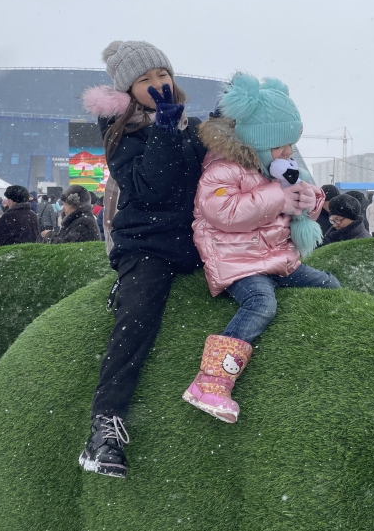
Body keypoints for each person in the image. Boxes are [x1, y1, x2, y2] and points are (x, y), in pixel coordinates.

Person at [78, 40, 207, 478]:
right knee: (137, 316)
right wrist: (165, 131)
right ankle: (105, 424)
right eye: (145, 80)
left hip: (199, 240)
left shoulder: (193, 125)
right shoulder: (121, 132)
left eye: (162, 75)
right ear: (128, 90)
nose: (157, 85)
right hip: (148, 244)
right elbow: (151, 186)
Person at [182, 73, 336, 424]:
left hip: (277, 257)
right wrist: (278, 197)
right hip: (239, 261)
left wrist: (304, 195)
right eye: (283, 145)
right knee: (261, 303)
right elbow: (224, 212)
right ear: (261, 140)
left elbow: (311, 205)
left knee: (327, 284)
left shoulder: (276, 168)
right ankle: (211, 381)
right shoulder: (222, 169)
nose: (289, 152)